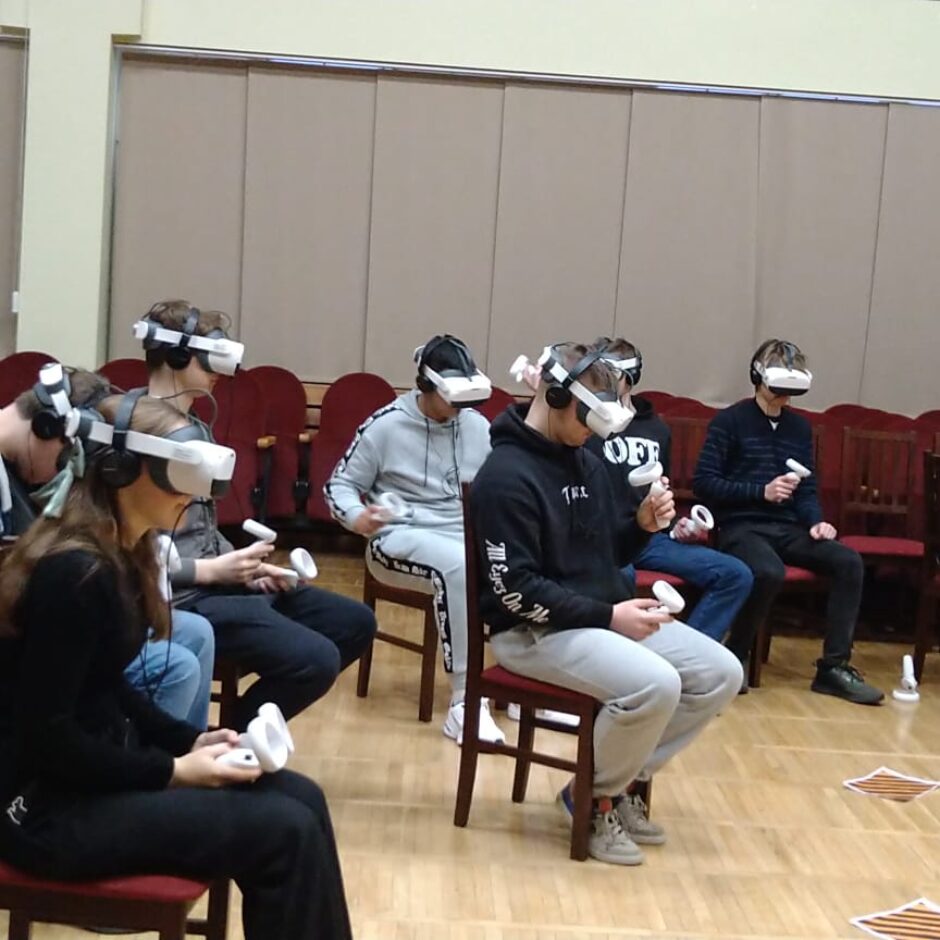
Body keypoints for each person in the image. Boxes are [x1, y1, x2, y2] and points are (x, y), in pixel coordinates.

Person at [0, 392, 352, 939]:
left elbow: (106, 686)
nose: (191, 496)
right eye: (177, 477)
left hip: (84, 783)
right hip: (43, 812)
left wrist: (190, 740)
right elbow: (49, 737)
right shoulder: (74, 575)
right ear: (121, 471)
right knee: (284, 832)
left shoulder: (124, 550)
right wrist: (172, 771)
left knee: (302, 798)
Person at [471, 343, 742, 865]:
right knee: (655, 684)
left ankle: (615, 784)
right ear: (555, 398)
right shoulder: (504, 477)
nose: (593, 433)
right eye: (588, 419)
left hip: (595, 617)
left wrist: (640, 526)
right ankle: (593, 799)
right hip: (531, 631)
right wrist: (610, 617)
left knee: (720, 673)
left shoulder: (585, 463)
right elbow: (516, 591)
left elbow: (604, 554)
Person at [139, 299, 376, 730]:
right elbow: (134, 552)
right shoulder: (138, 435)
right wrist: (215, 570)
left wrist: (248, 568)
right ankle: (232, 742)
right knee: (315, 658)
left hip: (218, 583)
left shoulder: (195, 427)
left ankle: (234, 734)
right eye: (208, 358)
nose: (219, 371)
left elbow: (204, 527)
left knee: (354, 622)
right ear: (177, 356)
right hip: (180, 598)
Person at [0, 362, 215, 729]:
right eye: (72, 455)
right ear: (48, 428)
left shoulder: (23, 470)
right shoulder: (72, 567)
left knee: (196, 633)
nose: (73, 470)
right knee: (177, 666)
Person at [325, 334, 504, 745]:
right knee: (460, 565)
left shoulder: (477, 426)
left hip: (461, 533)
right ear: (425, 385)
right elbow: (340, 486)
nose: (459, 408)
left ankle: (522, 685)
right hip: (399, 537)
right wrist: (358, 517)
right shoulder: (385, 425)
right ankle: (466, 702)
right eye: (451, 397)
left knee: (519, 557)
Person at [693, 339, 883, 704]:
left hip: (787, 528)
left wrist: (816, 523)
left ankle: (833, 667)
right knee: (768, 571)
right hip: (740, 527)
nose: (784, 395)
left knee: (848, 561)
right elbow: (705, 483)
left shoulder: (799, 428)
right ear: (758, 377)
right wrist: (759, 492)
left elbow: (806, 489)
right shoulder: (729, 421)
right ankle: (736, 655)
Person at [586, 337, 753, 643]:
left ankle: (689, 653)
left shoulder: (657, 429)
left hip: (650, 538)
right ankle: (623, 657)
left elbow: (657, 489)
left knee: (735, 574)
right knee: (621, 575)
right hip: (602, 539)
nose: (600, 383)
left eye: (608, 375)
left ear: (630, 378)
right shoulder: (586, 423)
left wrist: (675, 526)